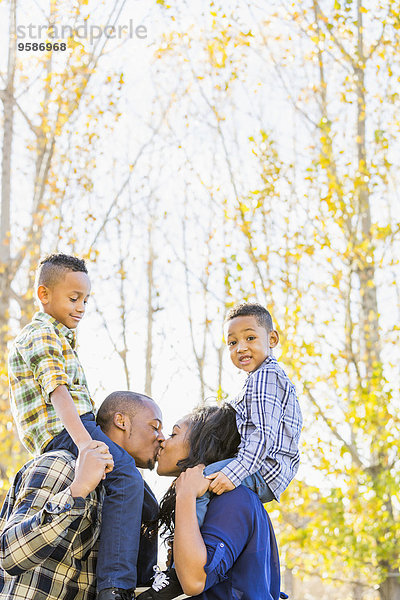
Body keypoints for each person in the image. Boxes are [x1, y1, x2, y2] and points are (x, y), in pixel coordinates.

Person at [8, 253, 164, 600]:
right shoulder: (42, 335)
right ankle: (114, 588)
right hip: (64, 431)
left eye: (85, 300)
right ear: (44, 294)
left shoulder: (62, 336)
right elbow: (58, 391)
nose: (81, 307)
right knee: (124, 474)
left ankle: (143, 584)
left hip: (75, 427)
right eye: (73, 298)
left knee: (146, 501)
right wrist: (85, 444)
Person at [0, 390, 164, 600]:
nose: (162, 438)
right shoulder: (61, 466)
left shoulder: (125, 500)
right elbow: (10, 554)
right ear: (121, 421)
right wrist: (76, 491)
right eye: (155, 427)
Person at [137, 405, 286, 600]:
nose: (163, 441)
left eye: (174, 434)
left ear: (203, 444)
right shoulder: (210, 501)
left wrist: (186, 494)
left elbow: (194, 581)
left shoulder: (234, 499)